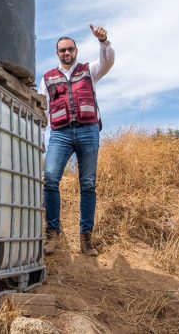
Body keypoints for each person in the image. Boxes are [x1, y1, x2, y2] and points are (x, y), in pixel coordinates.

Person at [38, 24, 115, 257]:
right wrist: (41, 139)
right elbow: (42, 111)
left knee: (88, 184)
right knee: (50, 179)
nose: (66, 53)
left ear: (76, 50)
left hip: (88, 131)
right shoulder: (48, 78)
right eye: (62, 50)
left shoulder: (89, 70)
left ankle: (86, 239)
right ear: (57, 53)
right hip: (60, 135)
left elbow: (108, 62)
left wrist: (104, 42)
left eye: (70, 49)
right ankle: (53, 234)